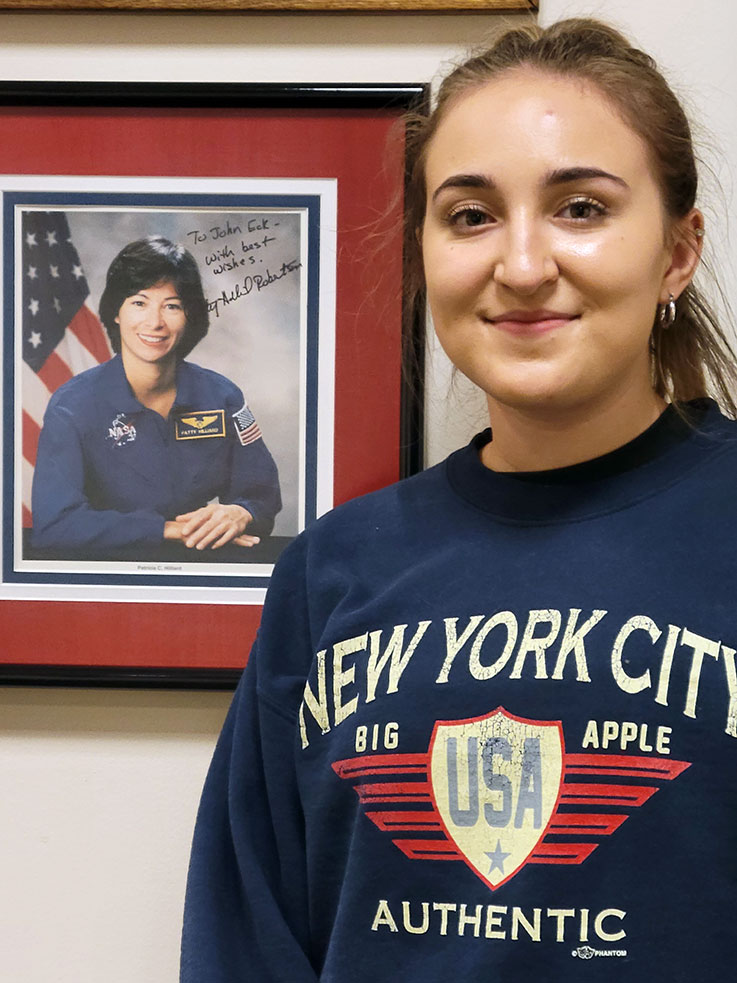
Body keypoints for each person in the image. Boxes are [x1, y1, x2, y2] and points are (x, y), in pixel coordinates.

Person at [181, 18, 737, 981]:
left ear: (677, 253)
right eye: (470, 215)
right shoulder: (332, 570)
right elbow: (246, 935)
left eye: (579, 208)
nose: (520, 266)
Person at [31, 235, 281, 555]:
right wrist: (164, 530)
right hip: (107, 571)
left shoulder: (222, 397)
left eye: (172, 306)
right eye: (139, 302)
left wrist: (242, 512)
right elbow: (55, 526)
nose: (155, 322)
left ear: (188, 316)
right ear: (116, 312)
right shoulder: (72, 406)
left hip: (201, 561)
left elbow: (263, 493)